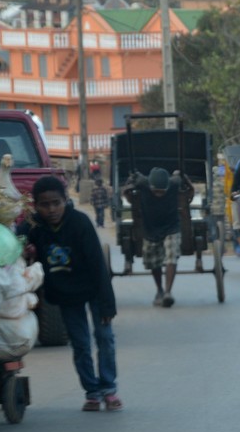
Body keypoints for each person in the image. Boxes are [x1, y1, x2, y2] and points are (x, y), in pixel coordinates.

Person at [24, 176, 121, 411]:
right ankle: (92, 392)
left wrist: (108, 305)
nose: (51, 210)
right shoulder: (34, 227)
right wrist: (25, 248)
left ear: (66, 200)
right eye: (45, 205)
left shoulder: (80, 223)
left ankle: (108, 388)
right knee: (80, 344)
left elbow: (98, 265)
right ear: (35, 205)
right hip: (66, 295)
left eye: (56, 203)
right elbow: (17, 241)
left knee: (104, 338)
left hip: (94, 288)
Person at [125, 167, 189, 308]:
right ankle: (159, 289)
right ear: (150, 186)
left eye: (162, 192)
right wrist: (129, 188)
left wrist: (183, 176)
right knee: (154, 263)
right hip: (150, 229)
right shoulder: (142, 183)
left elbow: (187, 186)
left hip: (171, 227)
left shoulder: (174, 183)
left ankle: (167, 292)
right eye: (156, 191)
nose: (159, 194)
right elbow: (127, 192)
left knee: (172, 256)